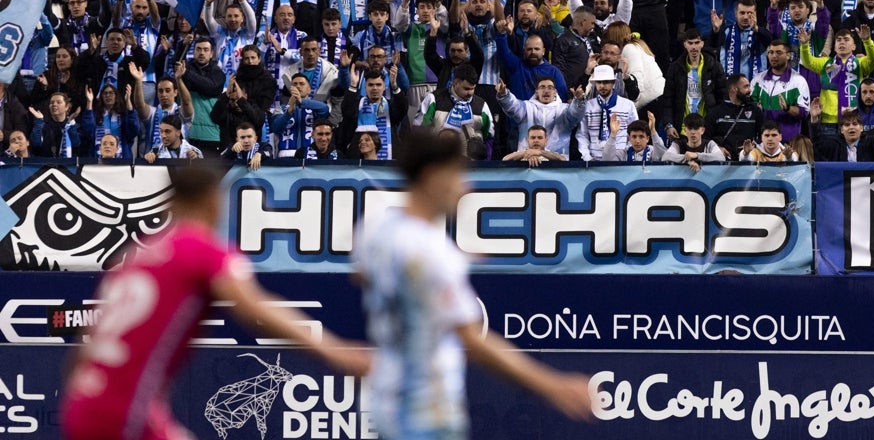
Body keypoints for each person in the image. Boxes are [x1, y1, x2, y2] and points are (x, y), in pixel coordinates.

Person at [60, 163, 370, 440]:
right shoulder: (202, 251)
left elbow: (85, 346)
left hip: (84, 402)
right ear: (213, 200)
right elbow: (256, 309)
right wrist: (337, 352)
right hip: (123, 413)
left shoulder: (134, 257)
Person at [354, 127, 593, 440]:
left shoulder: (376, 231)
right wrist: (552, 385)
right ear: (431, 177)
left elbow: (364, 275)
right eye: (457, 176)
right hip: (426, 411)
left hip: (386, 403)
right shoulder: (432, 252)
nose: (465, 187)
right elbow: (474, 340)